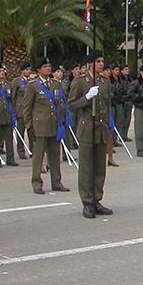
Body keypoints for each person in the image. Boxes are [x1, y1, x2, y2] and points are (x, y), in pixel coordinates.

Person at [68, 51, 113, 219]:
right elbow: (71, 105)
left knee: (100, 167)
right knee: (87, 168)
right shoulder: (80, 81)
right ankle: (87, 202)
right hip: (87, 127)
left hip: (101, 128)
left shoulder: (104, 81)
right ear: (90, 64)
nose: (102, 64)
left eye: (102, 61)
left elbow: (107, 105)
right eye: (98, 61)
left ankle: (96, 200)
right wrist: (86, 97)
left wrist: (109, 124)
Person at [23, 57, 70, 194]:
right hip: (40, 126)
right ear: (38, 70)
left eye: (49, 66)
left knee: (55, 156)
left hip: (54, 125)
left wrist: (62, 120)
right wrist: (29, 126)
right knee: (38, 157)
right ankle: (37, 183)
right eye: (45, 66)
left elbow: (61, 103)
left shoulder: (55, 84)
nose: (48, 69)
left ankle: (57, 182)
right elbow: (27, 107)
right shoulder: (33, 85)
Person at [10, 61, 33, 159]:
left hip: (31, 111)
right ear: (22, 71)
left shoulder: (32, 81)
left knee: (32, 132)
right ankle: (21, 151)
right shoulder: (17, 81)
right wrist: (14, 110)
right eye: (26, 70)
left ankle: (33, 150)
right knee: (21, 132)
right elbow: (13, 97)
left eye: (29, 70)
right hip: (20, 111)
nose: (28, 72)